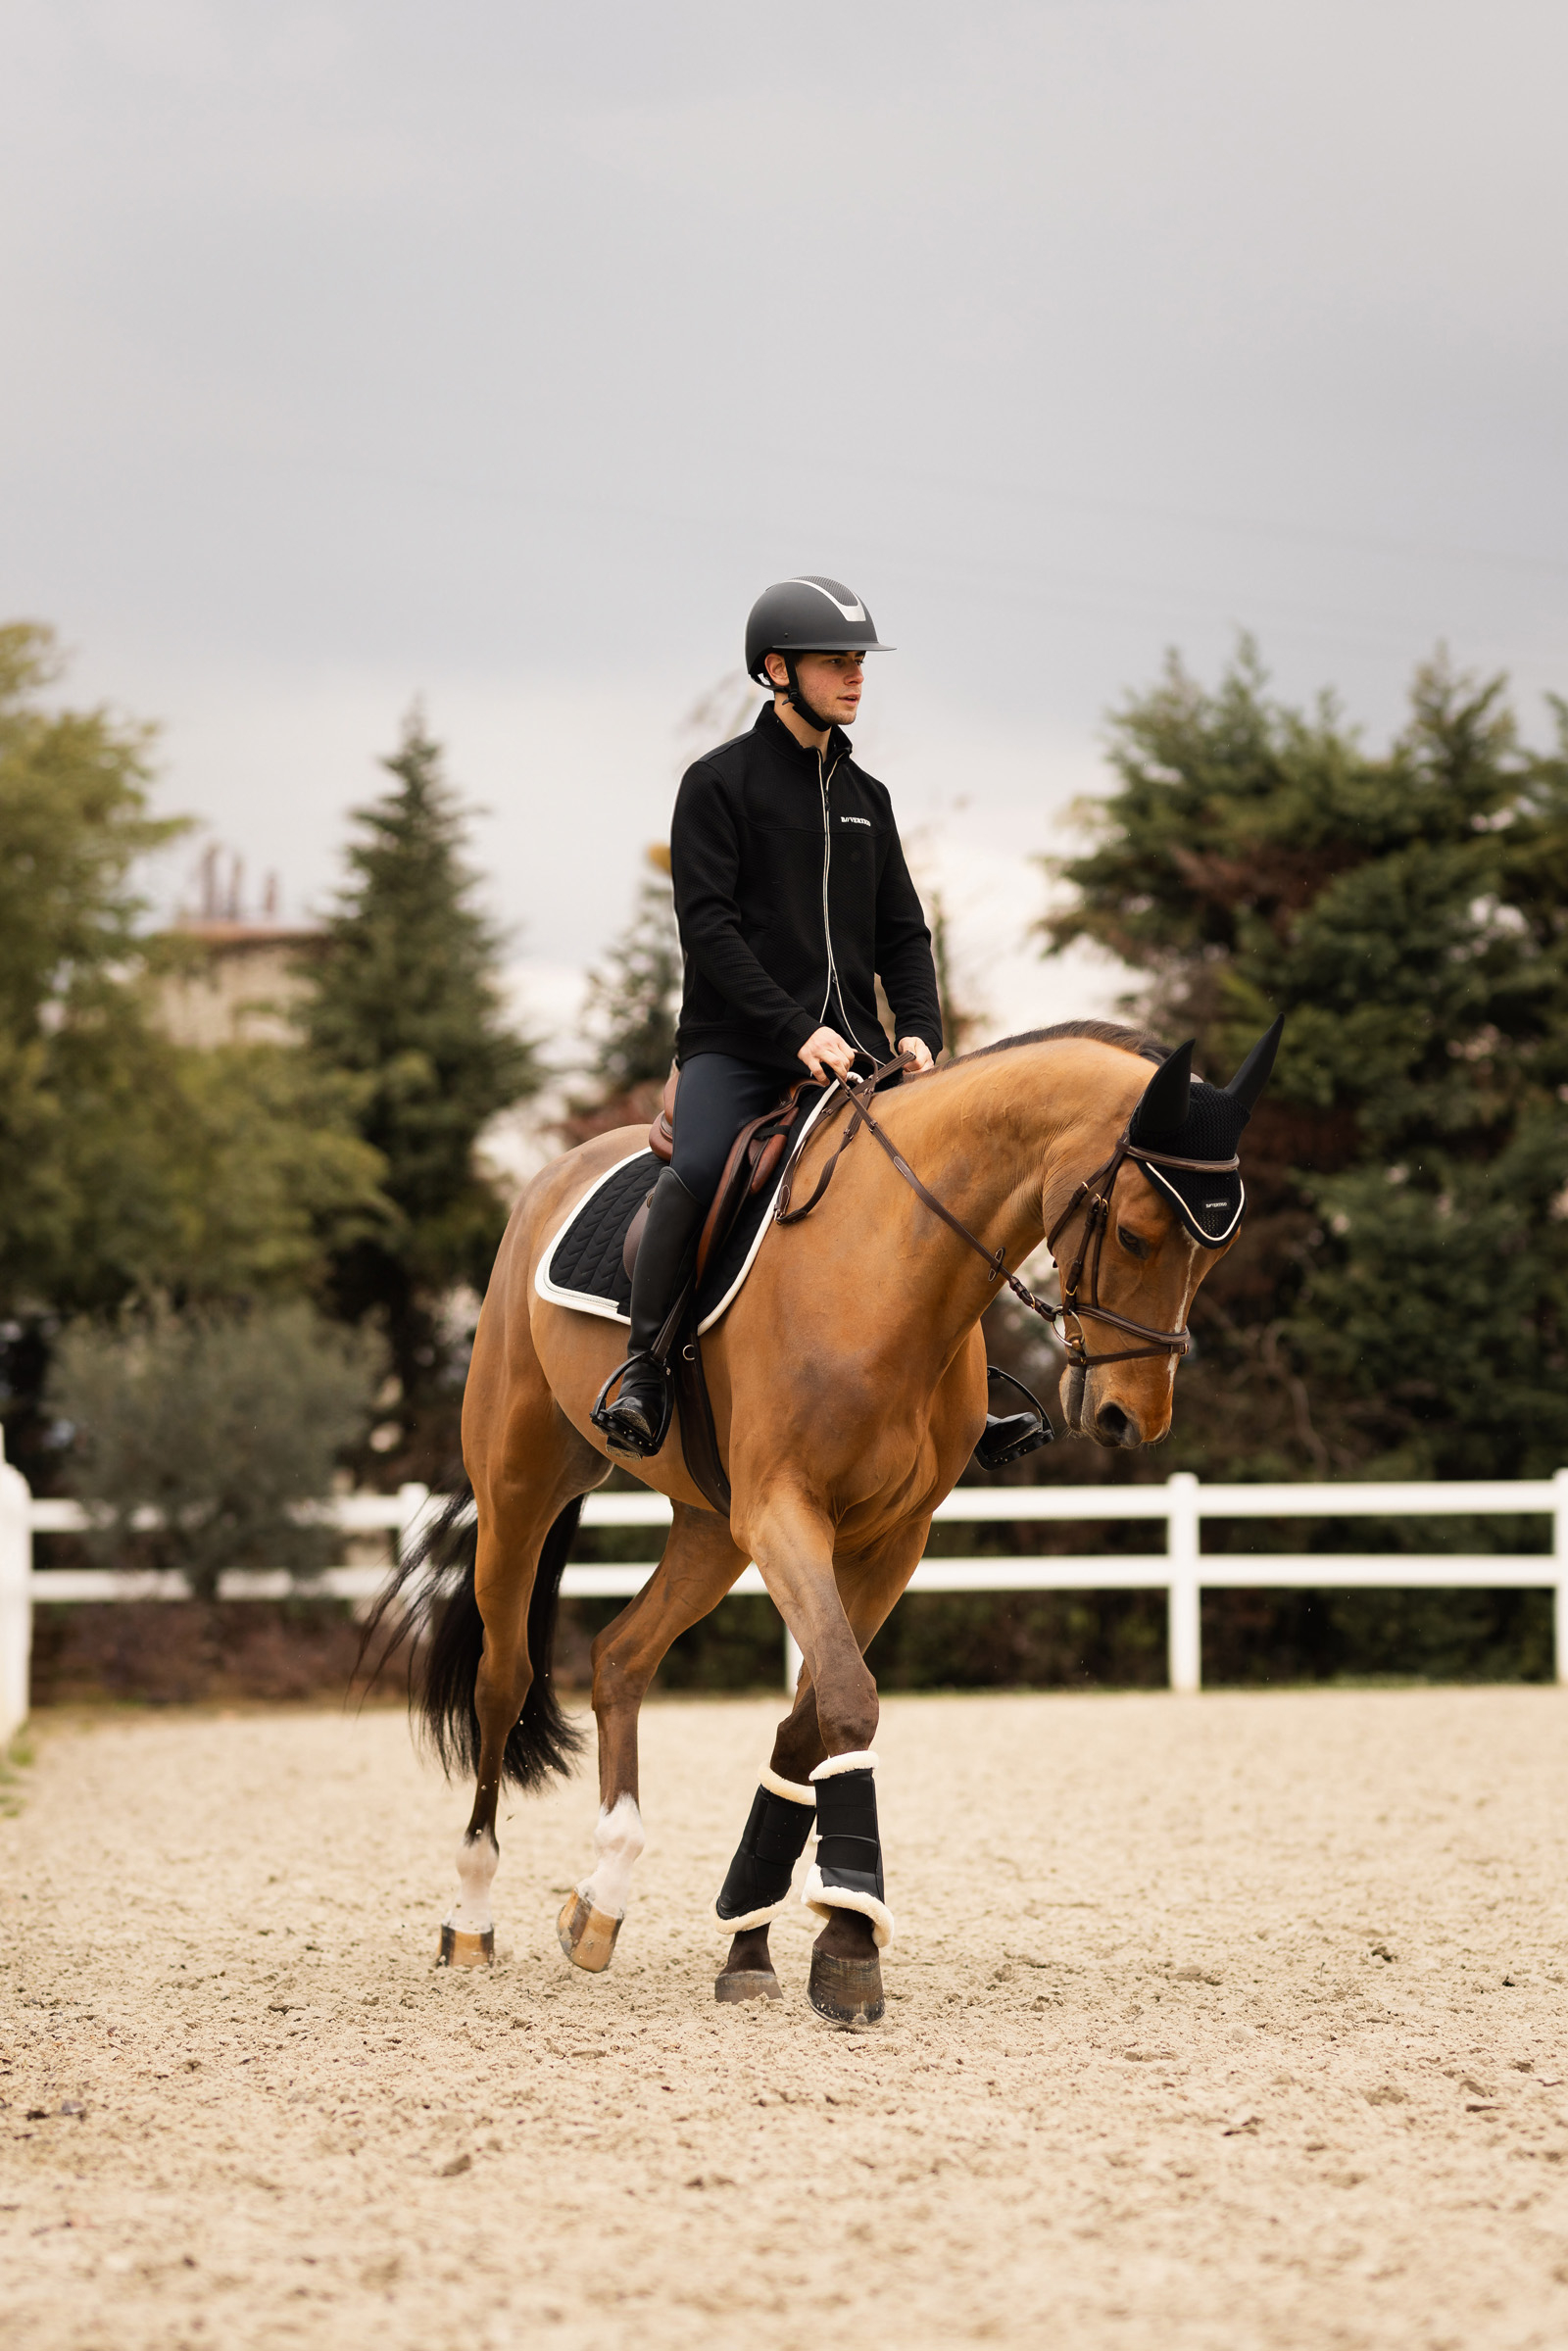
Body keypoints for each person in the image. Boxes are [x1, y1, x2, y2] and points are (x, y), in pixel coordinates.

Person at [595, 574, 943, 1457]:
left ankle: (965, 1388)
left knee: (934, 1185)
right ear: (776, 670)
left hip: (857, 1057)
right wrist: (795, 1029)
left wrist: (921, 1031)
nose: (856, 678)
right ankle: (642, 1365)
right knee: (703, 1167)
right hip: (740, 1050)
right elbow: (708, 930)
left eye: (859, 662)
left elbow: (904, 932)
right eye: (837, 662)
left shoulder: (872, 798)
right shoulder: (717, 785)